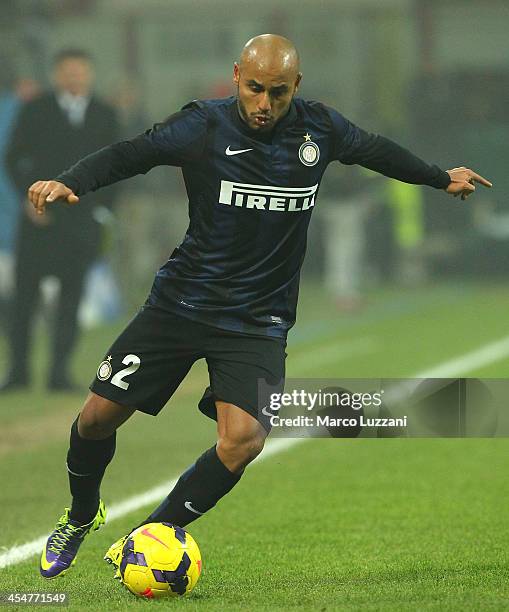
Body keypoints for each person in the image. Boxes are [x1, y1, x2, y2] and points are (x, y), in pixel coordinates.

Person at [29, 34, 491, 580]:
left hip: (257, 320)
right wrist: (71, 180)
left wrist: (441, 178)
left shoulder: (321, 128)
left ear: (296, 86)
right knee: (95, 421)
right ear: (236, 78)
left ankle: (147, 535)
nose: (264, 104)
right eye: (254, 89)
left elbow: (377, 150)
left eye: (277, 92)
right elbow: (134, 153)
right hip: (180, 303)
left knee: (243, 440)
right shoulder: (202, 125)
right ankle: (82, 512)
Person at [2, 49, 119, 392]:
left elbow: (119, 166)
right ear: (56, 75)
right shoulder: (35, 110)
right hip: (38, 220)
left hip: (80, 224)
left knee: (70, 302)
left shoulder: (104, 115)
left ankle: (59, 373)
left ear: (90, 75)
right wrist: (29, 196)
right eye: (67, 72)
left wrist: (100, 210)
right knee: (24, 301)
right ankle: (18, 373)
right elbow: (13, 158)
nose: (74, 78)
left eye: (80, 72)